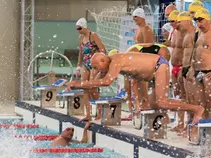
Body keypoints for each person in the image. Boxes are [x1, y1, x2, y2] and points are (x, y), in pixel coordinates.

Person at [67, 52, 205, 125]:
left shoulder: (117, 60)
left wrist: (79, 84)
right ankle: (177, 121)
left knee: (162, 102)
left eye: (97, 67)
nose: (97, 70)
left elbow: (106, 82)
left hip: (159, 66)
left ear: (103, 61)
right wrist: (81, 86)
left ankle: (197, 109)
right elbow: (94, 83)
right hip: (152, 73)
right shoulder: (109, 64)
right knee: (154, 105)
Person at [75, 18, 106, 121]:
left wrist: (100, 62)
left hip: (94, 64)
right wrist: (78, 66)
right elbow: (81, 52)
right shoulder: (80, 37)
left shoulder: (93, 35)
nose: (78, 30)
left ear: (84, 27)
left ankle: (100, 111)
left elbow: (103, 49)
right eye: (77, 29)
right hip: (85, 64)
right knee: (85, 88)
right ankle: (88, 115)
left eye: (79, 28)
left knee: (92, 88)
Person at [132, 8, 155, 111]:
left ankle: (146, 103)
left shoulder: (146, 29)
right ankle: (139, 104)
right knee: (135, 83)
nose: (134, 19)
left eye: (136, 17)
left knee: (144, 83)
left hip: (145, 60)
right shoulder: (138, 29)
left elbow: (149, 46)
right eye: (133, 17)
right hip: (138, 60)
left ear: (142, 16)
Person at [169, 10, 187, 133]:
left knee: (186, 97)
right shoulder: (173, 32)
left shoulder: (185, 33)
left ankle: (187, 125)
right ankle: (180, 123)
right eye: (169, 21)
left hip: (182, 67)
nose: (171, 23)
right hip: (174, 67)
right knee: (178, 96)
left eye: (173, 21)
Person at [193, 8, 211, 118]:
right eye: (197, 21)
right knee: (200, 102)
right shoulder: (199, 32)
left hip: (209, 71)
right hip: (198, 71)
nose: (199, 24)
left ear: (208, 19)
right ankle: (206, 127)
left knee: (210, 100)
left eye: (201, 20)